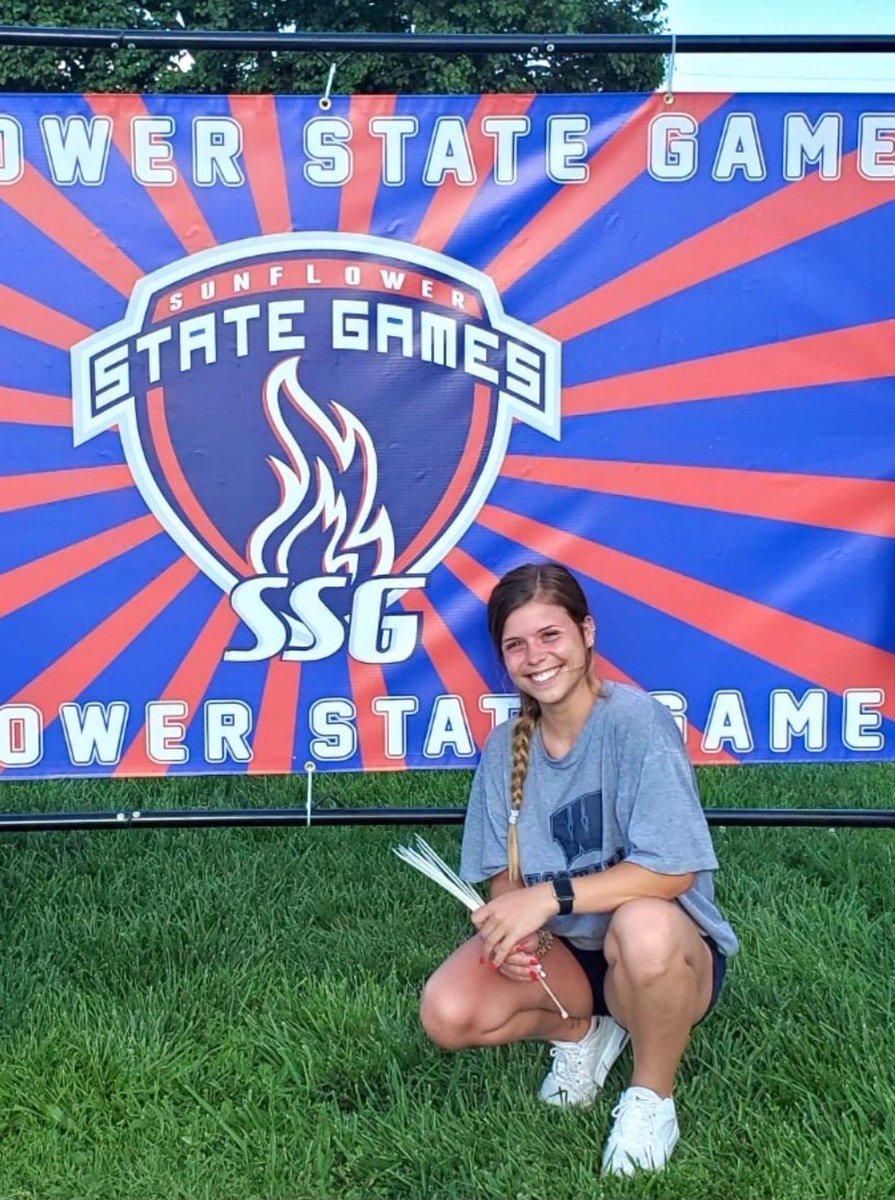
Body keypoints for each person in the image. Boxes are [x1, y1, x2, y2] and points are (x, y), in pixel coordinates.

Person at [420, 562, 738, 1176]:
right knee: (447, 1011)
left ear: (586, 633)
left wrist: (549, 899)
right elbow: (505, 878)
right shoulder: (504, 745)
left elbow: (673, 873)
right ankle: (581, 1036)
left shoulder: (636, 721)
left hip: (663, 956)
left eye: (551, 635)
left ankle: (651, 1096)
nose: (536, 656)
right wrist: (516, 931)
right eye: (516, 644)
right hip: (567, 960)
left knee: (642, 928)